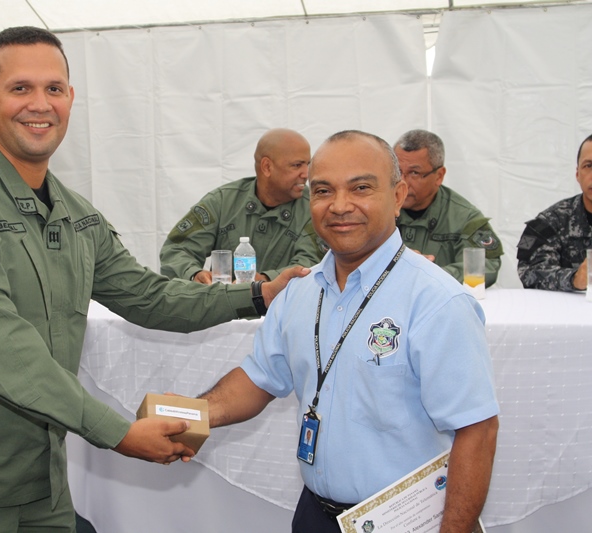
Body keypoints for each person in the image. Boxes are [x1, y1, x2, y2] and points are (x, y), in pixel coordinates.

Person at [0, 26, 305, 533]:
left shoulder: (74, 215)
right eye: (20, 88)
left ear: (70, 98)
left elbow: (148, 296)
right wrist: (117, 432)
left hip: (44, 480)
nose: (40, 104)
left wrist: (257, 295)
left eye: (53, 88)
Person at [199, 131, 499, 533]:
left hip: (405, 521)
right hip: (315, 514)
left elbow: (477, 430)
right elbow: (259, 379)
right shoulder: (300, 292)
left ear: (397, 196)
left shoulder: (437, 301)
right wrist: (189, 417)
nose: (340, 206)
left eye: (360, 188)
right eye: (323, 190)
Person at [160, 128, 325, 283]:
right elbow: (176, 250)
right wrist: (194, 274)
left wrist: (266, 281)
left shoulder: (314, 208)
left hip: (285, 303)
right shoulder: (223, 202)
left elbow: (311, 265)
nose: (306, 174)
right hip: (224, 303)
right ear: (267, 167)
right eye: (297, 165)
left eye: (308, 164)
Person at [393, 129, 503, 285]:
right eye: (397, 171)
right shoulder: (377, 208)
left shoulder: (464, 217)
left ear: (439, 176)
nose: (402, 182)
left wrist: (430, 274)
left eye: (414, 173)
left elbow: (487, 265)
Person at [517, 133, 592, 291]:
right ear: (578, 174)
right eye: (589, 166)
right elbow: (528, 272)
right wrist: (574, 279)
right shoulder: (550, 221)